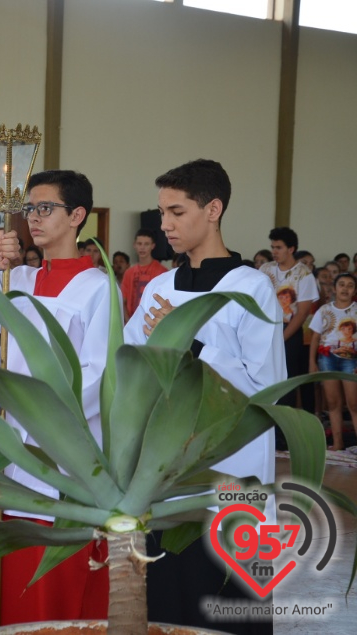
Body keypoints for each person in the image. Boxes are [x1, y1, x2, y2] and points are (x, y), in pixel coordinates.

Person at [0, 170, 113, 631]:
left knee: (49, 582)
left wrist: (36, 407)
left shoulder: (98, 289)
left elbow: (100, 375)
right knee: (4, 572)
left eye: (45, 208)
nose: (34, 218)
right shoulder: (19, 279)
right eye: (29, 209)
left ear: (77, 216)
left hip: (61, 449)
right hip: (9, 444)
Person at [125, 159, 284, 635]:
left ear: (213, 209)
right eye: (161, 213)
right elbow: (132, 368)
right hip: (166, 475)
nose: (165, 225)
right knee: (167, 610)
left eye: (177, 212)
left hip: (230, 478)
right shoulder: (159, 286)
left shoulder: (252, 288)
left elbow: (268, 391)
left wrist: (192, 346)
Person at [259, 227, 318, 407]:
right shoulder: (265, 268)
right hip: (266, 328)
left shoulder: (304, 275)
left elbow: (302, 313)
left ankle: (283, 431)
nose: (274, 252)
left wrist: (281, 337)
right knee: (265, 378)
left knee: (285, 380)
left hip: (289, 332)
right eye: (272, 247)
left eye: (278, 248)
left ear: (291, 249)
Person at [309, 273, 357, 450]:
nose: (345, 288)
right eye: (342, 284)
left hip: (351, 359)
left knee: (353, 403)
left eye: (350, 285)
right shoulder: (324, 310)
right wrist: (312, 363)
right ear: (335, 288)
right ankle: (338, 443)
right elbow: (315, 338)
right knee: (333, 403)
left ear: (355, 290)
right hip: (327, 358)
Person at [120, 228, 168, 322]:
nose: (142, 247)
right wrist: (129, 322)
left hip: (153, 323)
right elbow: (123, 302)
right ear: (134, 245)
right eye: (139, 244)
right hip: (131, 322)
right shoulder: (129, 272)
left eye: (146, 244)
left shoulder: (162, 272)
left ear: (153, 246)